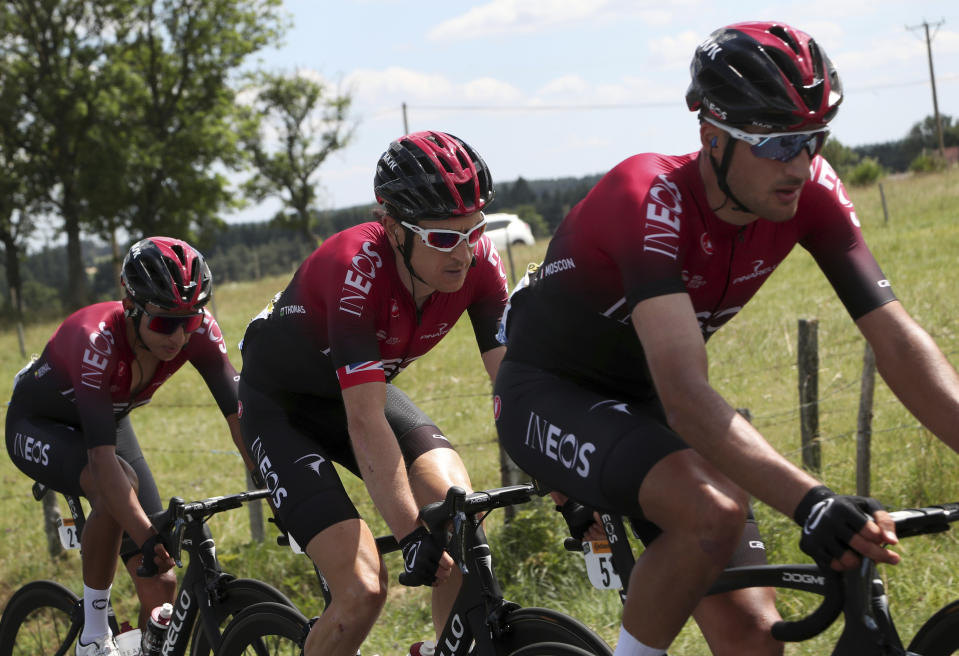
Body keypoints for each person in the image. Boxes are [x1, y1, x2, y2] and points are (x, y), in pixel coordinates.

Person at [489, 20, 959, 656]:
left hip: (646, 401)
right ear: (712, 137)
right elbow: (685, 393)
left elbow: (897, 341)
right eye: (775, 145)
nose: (800, 164)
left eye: (813, 139)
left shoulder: (812, 190)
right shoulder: (649, 197)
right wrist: (812, 503)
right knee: (710, 511)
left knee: (754, 641)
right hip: (548, 393)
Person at [236, 130, 508, 656]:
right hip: (282, 410)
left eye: (473, 230)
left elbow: (513, 383)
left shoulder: (480, 264)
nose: (465, 253)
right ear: (392, 229)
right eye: (444, 238)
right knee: (363, 589)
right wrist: (408, 533)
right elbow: (363, 419)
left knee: (458, 515)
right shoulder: (355, 269)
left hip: (360, 393)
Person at [5, 237, 246, 656]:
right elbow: (102, 464)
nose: (177, 335)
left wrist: (280, 488)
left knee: (162, 585)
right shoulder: (96, 339)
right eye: (163, 323)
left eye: (188, 321)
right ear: (130, 305)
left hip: (104, 418)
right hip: (39, 423)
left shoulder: (196, 331)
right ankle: (92, 635)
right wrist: (149, 536)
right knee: (116, 486)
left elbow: (240, 418)